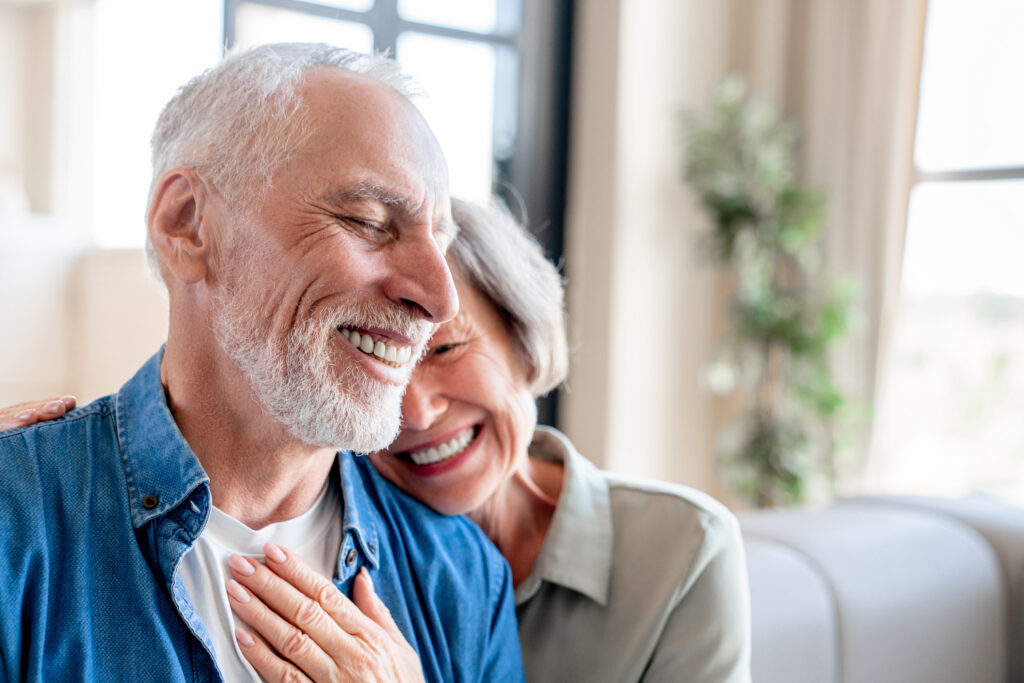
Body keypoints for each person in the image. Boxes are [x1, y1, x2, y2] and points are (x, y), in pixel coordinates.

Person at [3, 198, 752, 681]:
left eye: (449, 349)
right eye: (384, 365)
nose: (417, 410)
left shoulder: (677, 554)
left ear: (525, 347)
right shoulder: (337, 513)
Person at [0, 44, 525, 682]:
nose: (440, 298)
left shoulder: (464, 580)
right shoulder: (15, 525)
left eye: (439, 242)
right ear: (187, 224)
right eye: (368, 221)